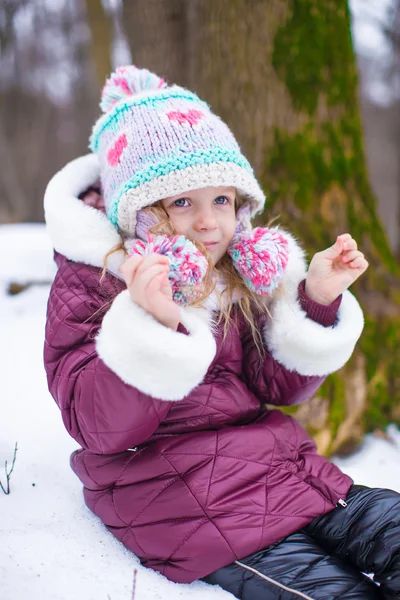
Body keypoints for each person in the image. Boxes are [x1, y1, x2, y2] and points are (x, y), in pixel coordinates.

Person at [43, 66, 400, 600]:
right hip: (183, 504)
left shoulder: (233, 269)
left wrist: (316, 301)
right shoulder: (93, 281)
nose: (210, 223)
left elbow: (273, 386)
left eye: (222, 200)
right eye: (182, 202)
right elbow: (99, 426)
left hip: (290, 475)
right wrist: (154, 326)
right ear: (137, 211)